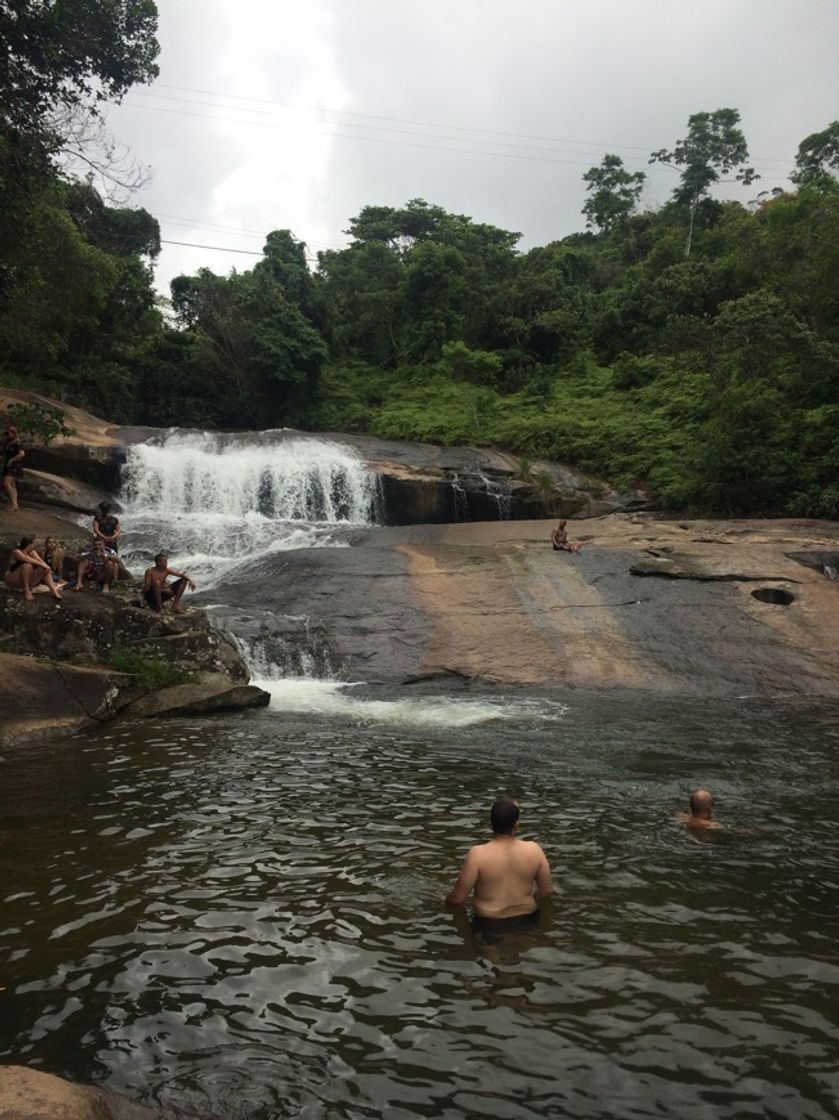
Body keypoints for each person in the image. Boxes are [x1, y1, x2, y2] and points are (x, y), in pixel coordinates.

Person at [444, 798, 553, 934]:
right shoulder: (534, 849)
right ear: (516, 824)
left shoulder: (478, 854)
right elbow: (546, 891)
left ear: (492, 824)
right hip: (528, 918)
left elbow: (457, 899)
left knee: (491, 953)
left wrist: (443, 901)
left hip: (490, 923)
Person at [4, 536, 62, 601]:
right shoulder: (17, 551)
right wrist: (43, 565)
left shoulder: (32, 552)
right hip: (13, 579)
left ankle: (55, 592)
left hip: (26, 580)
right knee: (27, 565)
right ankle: (27, 591)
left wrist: (47, 568)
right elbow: (27, 559)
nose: (34, 546)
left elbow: (39, 560)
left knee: (44, 569)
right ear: (29, 544)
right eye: (33, 544)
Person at [1, 425, 24, 512]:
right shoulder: (8, 442)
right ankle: (15, 505)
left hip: (15, 466)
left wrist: (12, 460)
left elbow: (22, 454)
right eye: (8, 433)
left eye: (10, 433)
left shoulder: (17, 443)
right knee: (13, 485)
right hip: (8, 465)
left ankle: (14, 504)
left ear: (14, 433)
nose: (8, 435)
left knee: (6, 483)